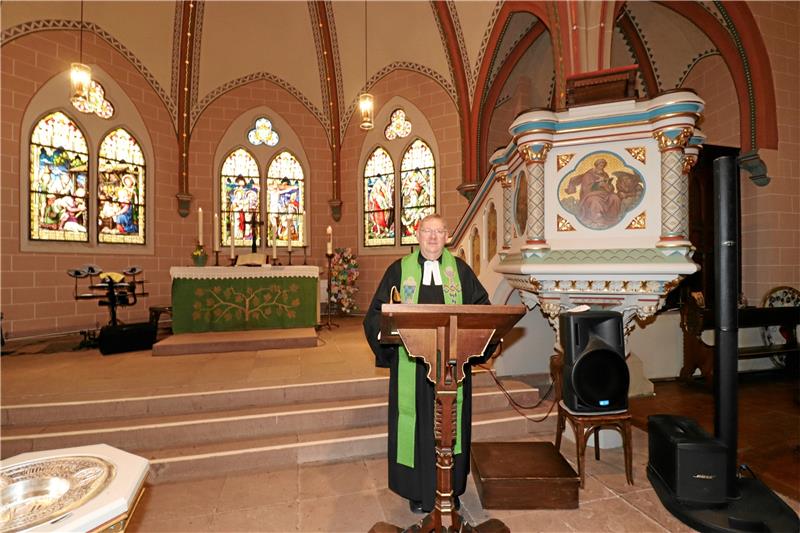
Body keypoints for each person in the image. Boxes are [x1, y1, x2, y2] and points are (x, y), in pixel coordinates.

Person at [363, 213, 492, 514]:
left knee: (450, 426)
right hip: (414, 366)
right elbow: (376, 314)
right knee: (418, 426)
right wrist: (387, 338)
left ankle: (450, 488)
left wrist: (478, 343)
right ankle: (417, 491)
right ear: (418, 235)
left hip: (451, 367)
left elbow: (483, 310)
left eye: (439, 231)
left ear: (447, 237)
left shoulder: (460, 271)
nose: (433, 237)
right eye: (427, 231)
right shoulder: (399, 271)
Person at [565, 158, 622, 228]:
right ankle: (598, 220)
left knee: (615, 198)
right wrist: (598, 184)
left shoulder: (605, 175)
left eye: (603, 165)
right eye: (600, 165)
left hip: (605, 194)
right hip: (591, 195)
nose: (602, 167)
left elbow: (611, 187)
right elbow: (586, 188)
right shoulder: (588, 175)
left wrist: (606, 185)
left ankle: (612, 218)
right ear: (596, 165)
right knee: (595, 201)